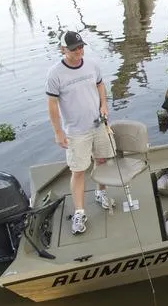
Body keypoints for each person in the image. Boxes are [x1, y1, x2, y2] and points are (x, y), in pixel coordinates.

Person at [46, 31, 116, 234]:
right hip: (76, 132)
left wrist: (104, 105)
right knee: (78, 171)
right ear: (63, 49)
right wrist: (58, 132)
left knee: (101, 160)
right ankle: (79, 211)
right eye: (74, 48)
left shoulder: (92, 65)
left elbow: (100, 85)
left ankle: (100, 192)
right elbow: (51, 105)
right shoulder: (55, 74)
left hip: (99, 125)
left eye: (81, 47)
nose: (79, 51)